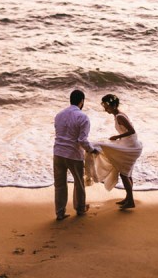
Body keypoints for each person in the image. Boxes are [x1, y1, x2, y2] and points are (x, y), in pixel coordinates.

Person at [86, 94, 143, 209]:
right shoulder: (118, 115)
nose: (105, 109)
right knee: (127, 173)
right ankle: (128, 198)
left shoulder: (119, 117)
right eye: (105, 106)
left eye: (107, 106)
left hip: (130, 147)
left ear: (113, 105)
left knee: (124, 174)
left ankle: (130, 200)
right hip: (128, 145)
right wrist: (119, 138)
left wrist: (117, 137)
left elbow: (132, 131)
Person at [53, 89, 99, 220]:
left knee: (60, 184)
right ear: (82, 101)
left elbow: (59, 134)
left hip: (58, 153)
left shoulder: (59, 115)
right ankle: (80, 209)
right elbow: (82, 140)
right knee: (79, 183)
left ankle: (60, 213)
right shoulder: (83, 117)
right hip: (73, 154)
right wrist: (92, 150)